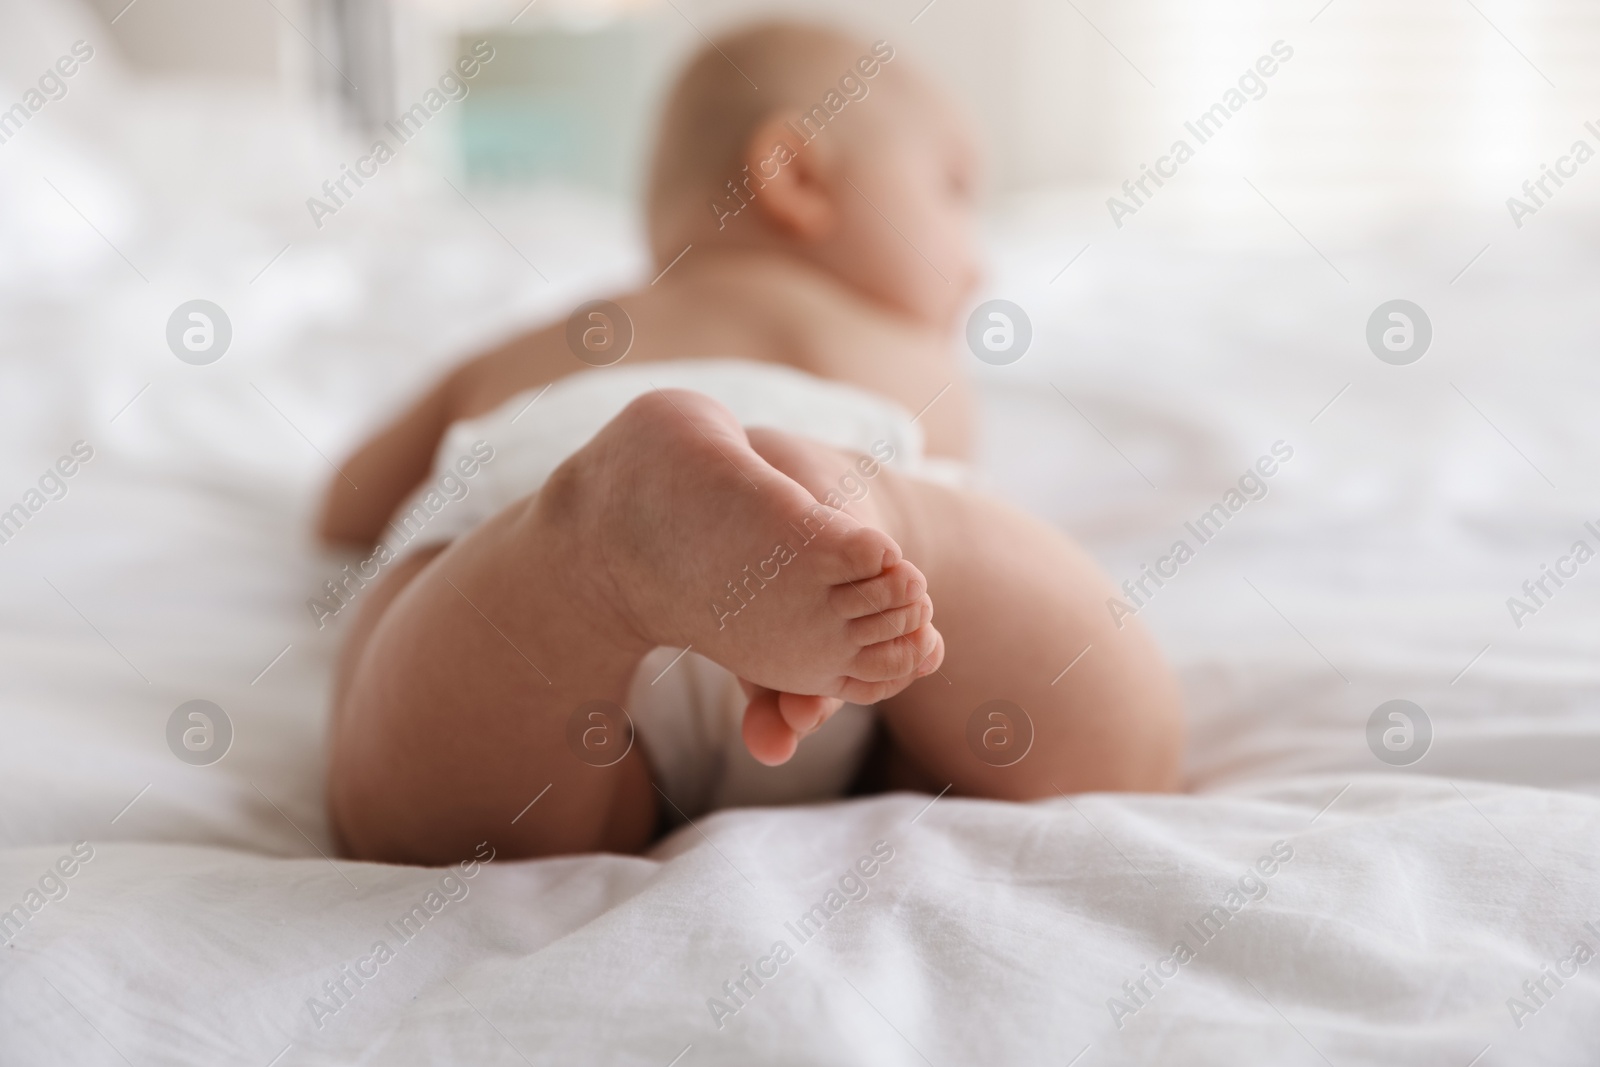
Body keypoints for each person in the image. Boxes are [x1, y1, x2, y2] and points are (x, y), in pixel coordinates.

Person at [317, 21, 1182, 865]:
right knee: (1116, 747)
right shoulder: (894, 342)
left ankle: (587, 549)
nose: (978, 263)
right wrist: (883, 514)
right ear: (797, 175)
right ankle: (885, 512)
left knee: (434, 821)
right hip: (841, 544)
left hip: (556, 462)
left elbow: (348, 504)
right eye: (952, 189)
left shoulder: (556, 337)